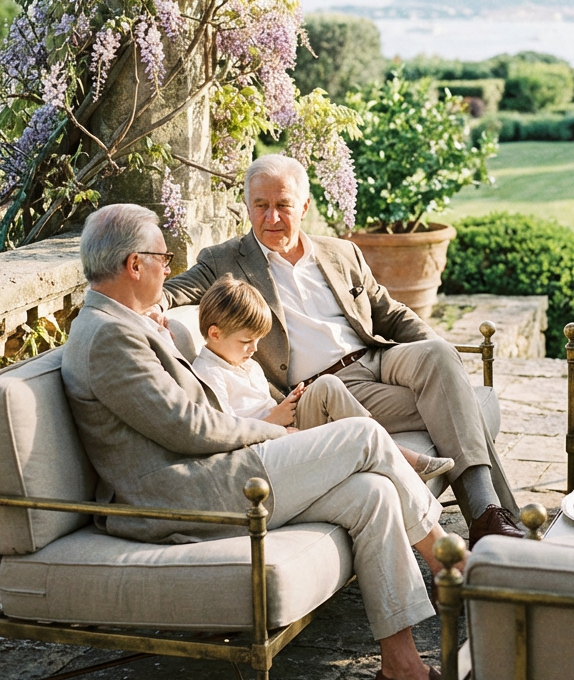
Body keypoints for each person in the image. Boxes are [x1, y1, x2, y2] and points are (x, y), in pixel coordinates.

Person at [61, 203, 468, 680]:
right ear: (133, 265)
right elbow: (188, 428)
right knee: (362, 435)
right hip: (184, 491)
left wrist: (158, 325)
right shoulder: (106, 336)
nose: (169, 268)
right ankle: (452, 562)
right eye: (163, 258)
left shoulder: (126, 322)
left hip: (211, 472)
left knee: (372, 493)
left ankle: (401, 669)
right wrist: (275, 433)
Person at [163, 153, 522, 546]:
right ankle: (489, 515)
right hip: (329, 387)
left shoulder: (340, 252)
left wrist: (441, 352)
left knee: (438, 355)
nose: (271, 218)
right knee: (458, 405)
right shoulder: (225, 259)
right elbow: (178, 288)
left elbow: (389, 313)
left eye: (283, 205)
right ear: (247, 206)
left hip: (377, 357)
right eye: (260, 206)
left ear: (304, 205)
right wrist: (154, 306)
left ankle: (488, 514)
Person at [193, 272, 455, 482]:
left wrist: (290, 403)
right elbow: (225, 433)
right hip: (267, 447)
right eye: (246, 341)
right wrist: (272, 422)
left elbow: (263, 405)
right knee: (329, 392)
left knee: (327, 384)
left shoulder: (246, 362)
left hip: (282, 428)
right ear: (215, 334)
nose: (254, 349)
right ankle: (398, 456)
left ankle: (385, 448)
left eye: (257, 340)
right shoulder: (209, 374)